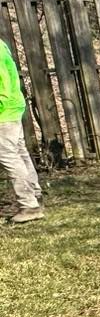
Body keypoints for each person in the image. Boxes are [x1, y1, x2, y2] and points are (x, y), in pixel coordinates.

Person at [0, 36, 43, 224]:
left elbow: (3, 86)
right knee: (20, 153)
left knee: (9, 157)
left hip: (4, 111)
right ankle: (35, 195)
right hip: (13, 107)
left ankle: (29, 205)